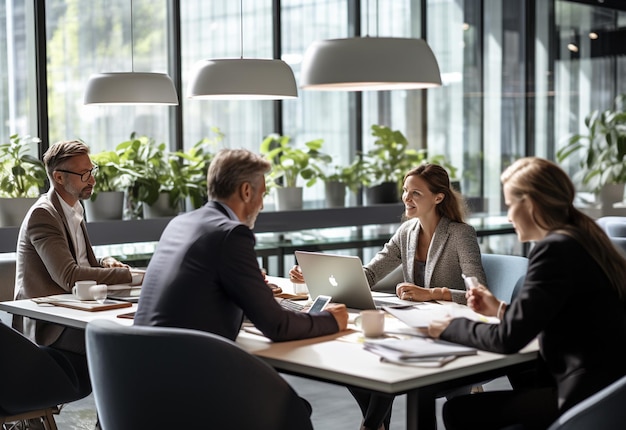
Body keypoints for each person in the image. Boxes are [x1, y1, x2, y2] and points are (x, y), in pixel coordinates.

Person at [425, 157, 626, 430]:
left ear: (529, 203)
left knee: (459, 410)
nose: (508, 215)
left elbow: (508, 339)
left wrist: (450, 327)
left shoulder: (554, 249)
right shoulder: (584, 237)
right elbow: (566, 315)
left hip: (580, 398)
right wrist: (498, 309)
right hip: (609, 393)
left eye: (509, 205)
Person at [290, 163, 487, 430]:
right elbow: (370, 274)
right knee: (357, 359)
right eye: (406, 191)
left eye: (416, 193)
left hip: (448, 332)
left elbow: (480, 293)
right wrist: (315, 276)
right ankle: (376, 424)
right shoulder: (407, 232)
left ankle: (372, 426)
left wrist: (432, 293)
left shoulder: (460, 234)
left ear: (438, 197)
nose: (407, 198)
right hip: (415, 326)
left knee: (383, 363)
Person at [133, 148, 348, 343]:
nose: (262, 204)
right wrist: (331, 319)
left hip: (143, 366)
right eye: (262, 194)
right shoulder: (230, 234)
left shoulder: (180, 223)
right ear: (246, 191)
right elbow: (278, 326)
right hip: (183, 370)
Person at [13, 140, 134, 354]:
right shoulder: (43, 215)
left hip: (78, 308)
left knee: (137, 328)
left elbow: (80, 263)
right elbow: (69, 275)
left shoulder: (74, 208)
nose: (92, 180)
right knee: (121, 342)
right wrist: (131, 276)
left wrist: (104, 263)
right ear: (59, 177)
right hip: (51, 325)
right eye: (84, 174)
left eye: (91, 171)